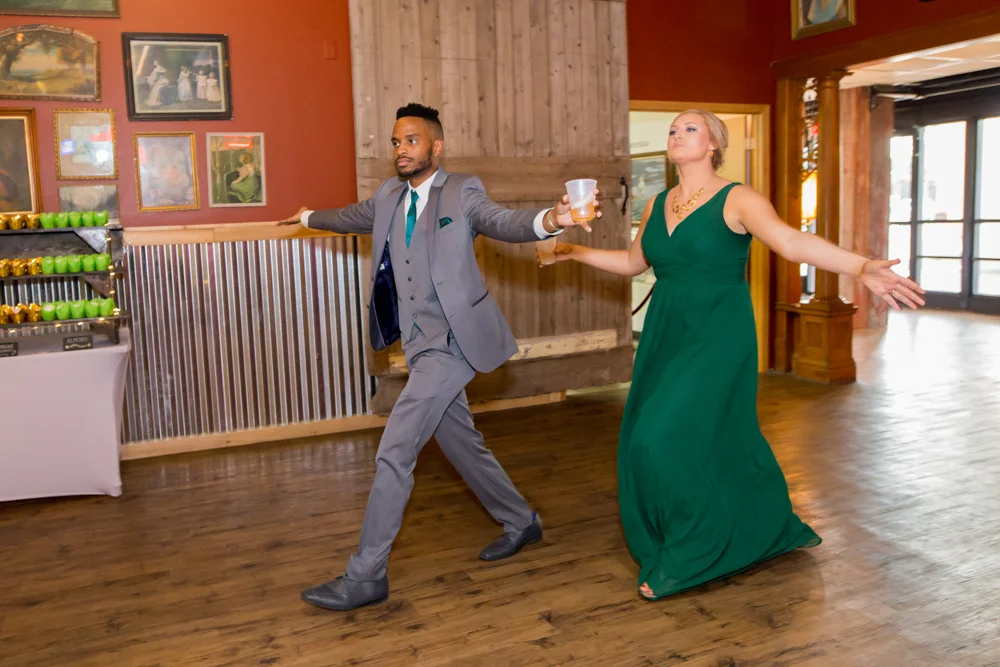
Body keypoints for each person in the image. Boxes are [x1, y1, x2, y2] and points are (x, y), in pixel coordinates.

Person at [540, 109, 925, 601]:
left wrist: (862, 265)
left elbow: (791, 241)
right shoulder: (659, 202)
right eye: (674, 130)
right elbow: (634, 262)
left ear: (714, 145)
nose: (678, 134)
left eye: (691, 129)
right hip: (667, 333)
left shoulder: (737, 198)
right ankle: (761, 524)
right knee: (702, 438)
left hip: (717, 334)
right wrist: (572, 252)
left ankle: (690, 554)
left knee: (658, 439)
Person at [278, 103, 601, 612]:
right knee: (462, 444)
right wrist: (305, 218)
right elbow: (350, 217)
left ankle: (366, 575)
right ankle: (521, 521)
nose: (401, 149)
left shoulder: (463, 191)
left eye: (411, 140)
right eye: (396, 142)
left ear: (436, 145)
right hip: (416, 343)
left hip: (453, 342)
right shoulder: (389, 195)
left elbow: (504, 221)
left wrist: (552, 219)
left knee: (395, 450)